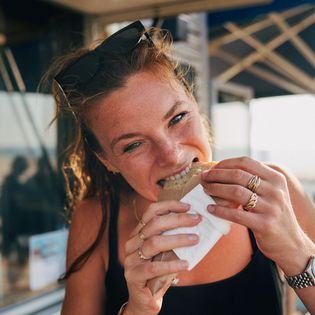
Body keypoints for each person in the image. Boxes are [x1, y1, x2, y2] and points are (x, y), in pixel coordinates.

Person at [47, 21, 315, 315]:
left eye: (177, 118)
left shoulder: (272, 191)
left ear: (195, 104)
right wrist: (136, 309)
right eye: (133, 145)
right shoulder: (95, 221)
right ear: (107, 160)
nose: (172, 155)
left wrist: (297, 253)